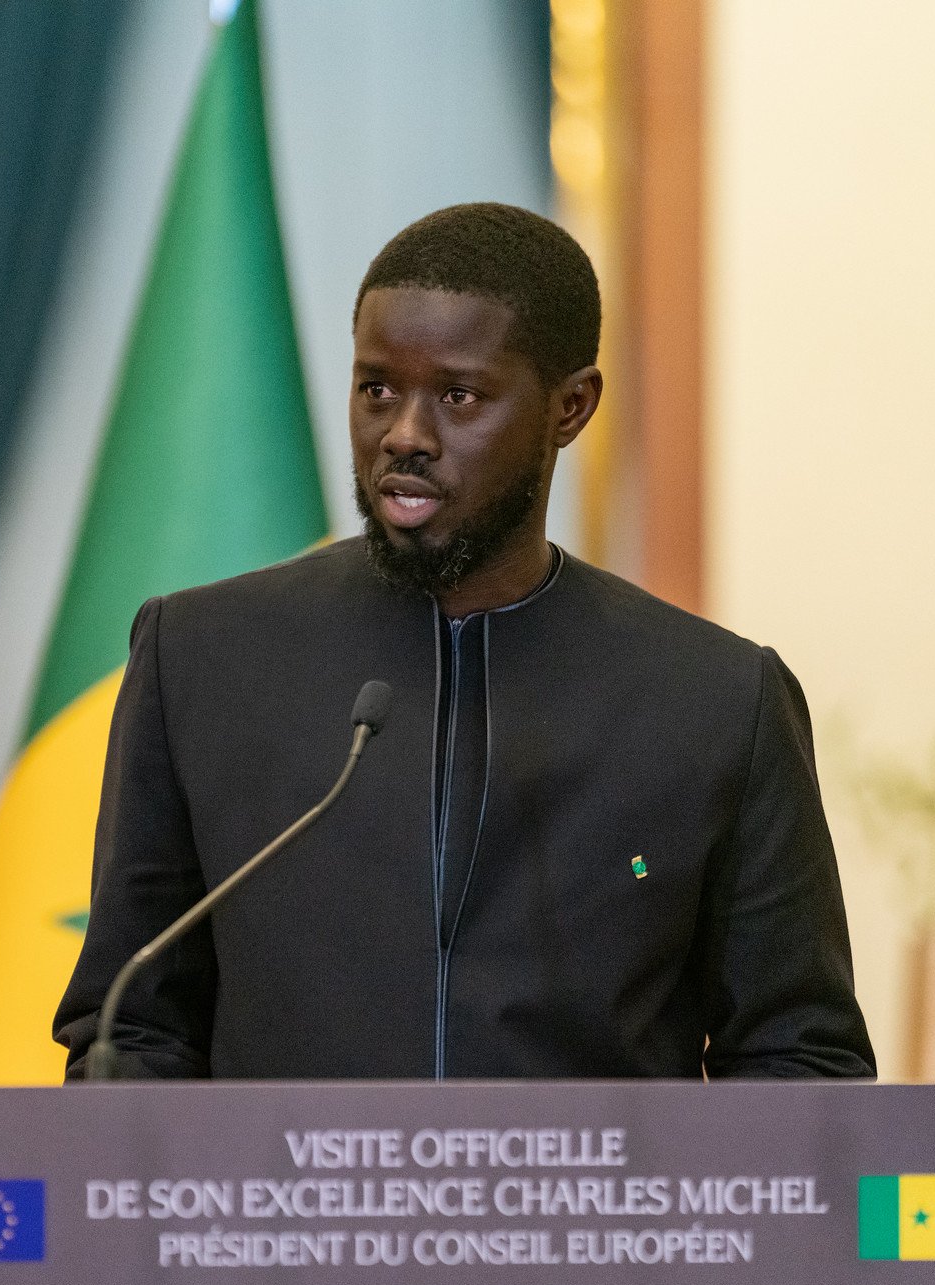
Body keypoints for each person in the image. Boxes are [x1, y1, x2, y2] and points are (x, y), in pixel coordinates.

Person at [54, 202, 875, 1083]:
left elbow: (799, 1059)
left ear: (570, 407)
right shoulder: (202, 660)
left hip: (600, 1183)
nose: (405, 435)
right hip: (279, 1181)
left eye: (458, 396)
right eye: (377, 389)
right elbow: (130, 1034)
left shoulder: (716, 700)